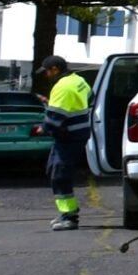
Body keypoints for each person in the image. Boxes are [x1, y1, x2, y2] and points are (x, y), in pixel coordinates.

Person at [37, 55, 92, 230]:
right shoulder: (78, 80)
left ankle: (70, 217)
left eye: (46, 71)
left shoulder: (62, 87)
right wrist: (50, 102)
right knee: (54, 170)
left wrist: (42, 129)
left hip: (69, 136)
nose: (46, 75)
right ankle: (66, 213)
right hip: (78, 133)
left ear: (54, 69)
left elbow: (54, 119)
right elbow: (89, 98)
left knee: (60, 175)